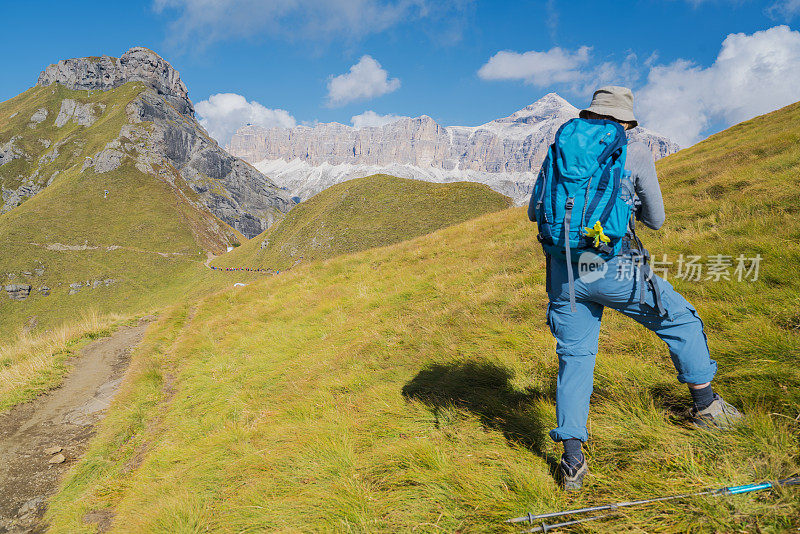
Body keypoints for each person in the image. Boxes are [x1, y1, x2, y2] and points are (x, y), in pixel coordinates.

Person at [529, 86, 742, 491]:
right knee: (680, 319)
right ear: (624, 121)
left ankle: (572, 459)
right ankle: (706, 407)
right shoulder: (635, 152)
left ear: (590, 114)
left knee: (575, 357)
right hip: (613, 268)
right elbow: (657, 220)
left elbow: (533, 211)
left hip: (564, 273)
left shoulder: (558, 150)